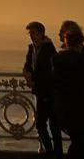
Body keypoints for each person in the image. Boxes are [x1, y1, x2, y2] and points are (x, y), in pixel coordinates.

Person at [53, 21, 84, 159]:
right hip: (83, 111)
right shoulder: (81, 60)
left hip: (65, 109)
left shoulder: (57, 60)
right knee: (83, 146)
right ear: (79, 44)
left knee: (76, 143)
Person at [23, 22, 61, 158]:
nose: (31, 36)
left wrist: (34, 80)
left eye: (33, 33)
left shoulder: (49, 49)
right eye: (30, 33)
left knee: (50, 125)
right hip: (40, 91)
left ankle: (54, 153)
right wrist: (28, 75)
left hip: (48, 91)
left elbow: (48, 72)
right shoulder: (32, 48)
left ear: (41, 33)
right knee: (46, 125)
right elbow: (28, 65)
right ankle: (53, 152)